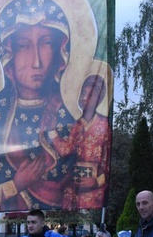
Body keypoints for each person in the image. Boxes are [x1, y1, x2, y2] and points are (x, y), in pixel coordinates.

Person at [0, 0, 78, 212]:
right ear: (7, 54)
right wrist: (14, 185)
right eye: (24, 46)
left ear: (61, 52)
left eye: (46, 44)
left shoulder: (68, 117)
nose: (37, 61)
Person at [45, 72, 112, 209]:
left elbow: (108, 160)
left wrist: (96, 181)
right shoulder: (77, 125)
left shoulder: (104, 126)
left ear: (99, 99)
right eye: (82, 93)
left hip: (94, 189)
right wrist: (52, 130)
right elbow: (66, 150)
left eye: (90, 94)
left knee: (89, 215)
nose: (84, 98)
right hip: (75, 184)